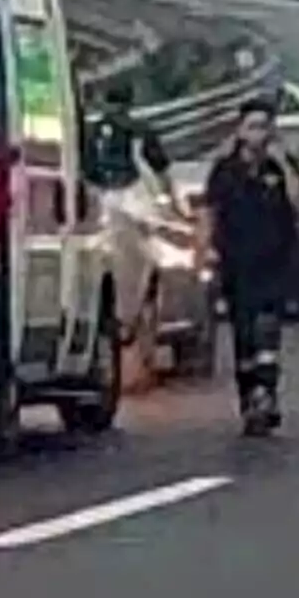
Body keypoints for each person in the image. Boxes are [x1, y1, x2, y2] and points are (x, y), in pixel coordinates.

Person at [198, 98, 299, 436]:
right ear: (239, 130)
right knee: (244, 335)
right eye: (252, 127)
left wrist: (285, 166)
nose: (259, 135)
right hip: (237, 263)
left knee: (268, 329)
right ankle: (249, 397)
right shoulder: (224, 170)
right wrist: (204, 251)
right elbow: (209, 212)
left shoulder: (282, 167)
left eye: (265, 127)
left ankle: (266, 395)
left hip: (276, 262)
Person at [85, 83, 179, 390]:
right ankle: (134, 322)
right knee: (143, 263)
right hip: (134, 200)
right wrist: (174, 204)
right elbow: (162, 171)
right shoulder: (141, 130)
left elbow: (85, 170)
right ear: (130, 101)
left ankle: (118, 318)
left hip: (100, 200)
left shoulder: (90, 131)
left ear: (103, 100)